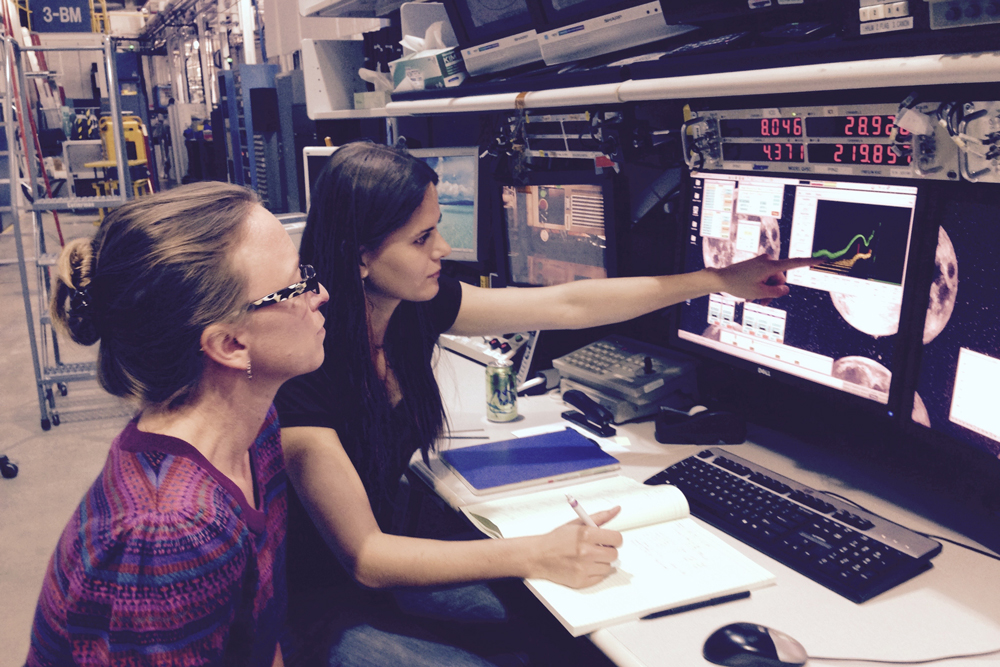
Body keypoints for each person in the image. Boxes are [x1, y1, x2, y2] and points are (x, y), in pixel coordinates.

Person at [275, 141, 817, 665]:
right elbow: (365, 557)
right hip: (318, 608)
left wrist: (717, 280)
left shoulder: (412, 308)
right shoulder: (304, 368)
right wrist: (536, 551)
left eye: (437, 228)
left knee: (559, 631)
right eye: (421, 240)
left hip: (388, 574)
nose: (442, 249)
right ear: (361, 257)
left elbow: (568, 303)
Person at [27, 182, 329, 666]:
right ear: (230, 344)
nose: (321, 294)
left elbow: (260, 628)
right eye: (298, 285)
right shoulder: (166, 536)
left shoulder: (255, 429)